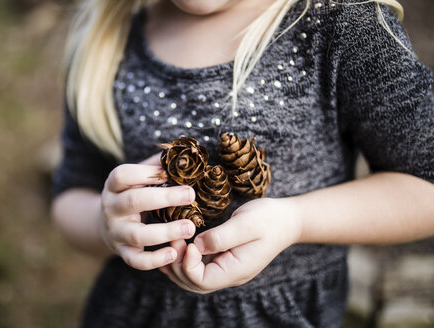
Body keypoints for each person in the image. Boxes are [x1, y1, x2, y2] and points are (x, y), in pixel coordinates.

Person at [51, 0, 434, 326]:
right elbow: (71, 194)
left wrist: (295, 220)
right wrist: (104, 226)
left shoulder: (342, 25)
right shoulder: (105, 40)